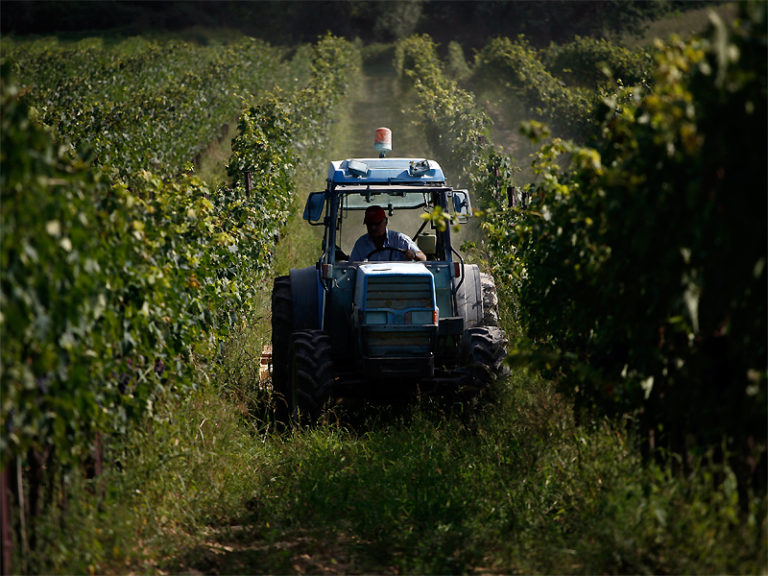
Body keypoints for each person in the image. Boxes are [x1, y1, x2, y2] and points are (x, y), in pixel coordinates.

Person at [349, 205, 426, 262]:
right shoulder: (361, 244)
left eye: (376, 223)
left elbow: (423, 257)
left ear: (385, 221)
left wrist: (414, 255)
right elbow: (352, 267)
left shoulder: (400, 240)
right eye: (369, 224)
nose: (373, 228)